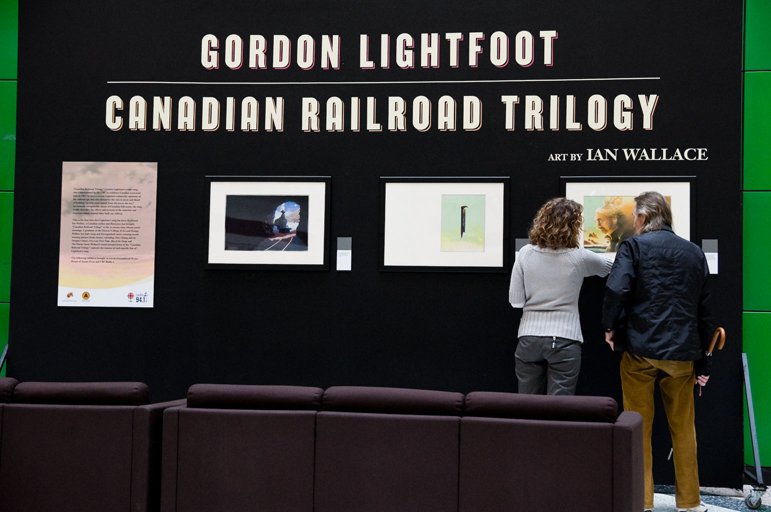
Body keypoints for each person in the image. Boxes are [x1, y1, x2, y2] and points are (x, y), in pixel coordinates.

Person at [602, 191, 714, 512]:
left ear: (641, 218)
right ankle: (690, 503)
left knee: (638, 427)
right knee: (683, 429)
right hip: (683, 355)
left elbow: (616, 289)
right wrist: (704, 364)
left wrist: (610, 327)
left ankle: (643, 501)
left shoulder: (633, 246)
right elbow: (705, 312)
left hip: (640, 350)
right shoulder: (694, 252)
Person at [509, 198, 612, 395]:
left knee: (525, 406)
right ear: (574, 226)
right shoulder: (579, 257)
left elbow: (516, 302)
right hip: (565, 339)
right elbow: (611, 268)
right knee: (559, 410)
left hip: (528, 339)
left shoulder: (524, 254)